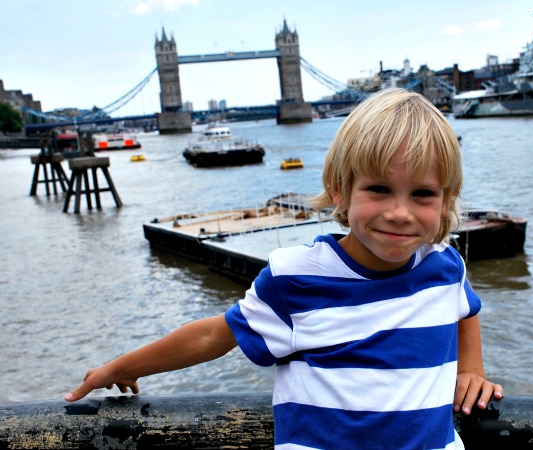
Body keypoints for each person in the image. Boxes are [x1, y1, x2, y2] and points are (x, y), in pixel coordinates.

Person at [65, 88, 503, 449]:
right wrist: (125, 367)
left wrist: (471, 370)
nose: (400, 213)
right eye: (379, 189)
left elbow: (465, 309)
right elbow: (212, 336)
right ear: (339, 191)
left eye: (423, 194)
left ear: (445, 201)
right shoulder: (295, 278)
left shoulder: (444, 264)